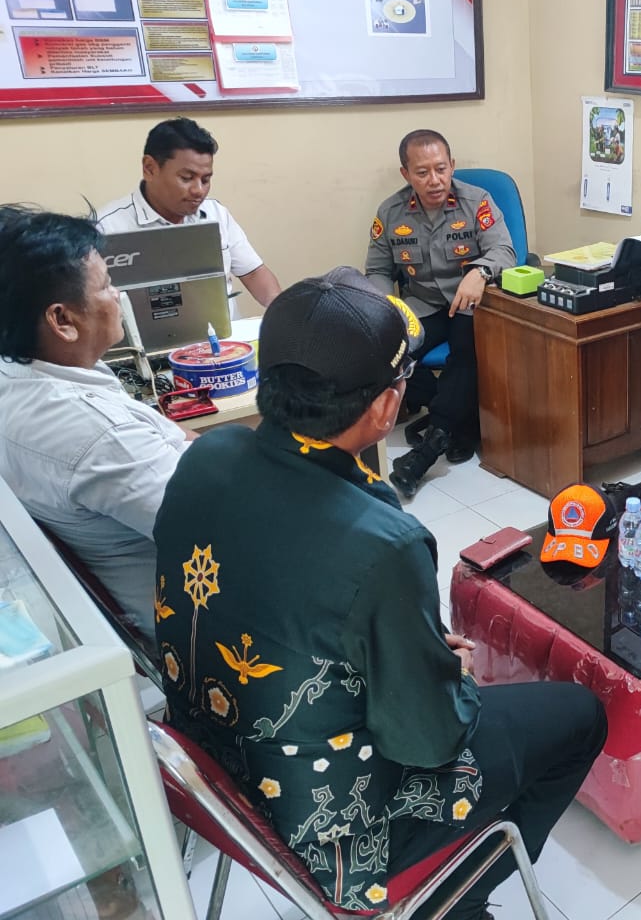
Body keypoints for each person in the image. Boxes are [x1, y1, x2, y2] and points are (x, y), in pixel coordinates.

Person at [153, 268, 604, 919]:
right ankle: (455, 900)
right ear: (387, 407)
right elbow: (432, 741)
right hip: (327, 827)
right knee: (580, 716)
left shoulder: (207, 454)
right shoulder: (382, 542)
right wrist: (452, 676)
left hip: (218, 778)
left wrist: (411, 652)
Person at [0, 205, 190, 639]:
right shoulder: (102, 436)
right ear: (62, 320)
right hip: (204, 624)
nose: (117, 295)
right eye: (105, 285)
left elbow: (176, 437)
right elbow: (237, 532)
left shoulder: (25, 372)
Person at [365, 128, 515, 499]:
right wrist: (390, 307)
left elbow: (505, 251)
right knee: (385, 353)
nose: (434, 180)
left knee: (466, 352)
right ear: (406, 174)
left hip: (470, 305)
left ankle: (432, 444)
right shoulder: (390, 212)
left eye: (441, 169)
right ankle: (460, 419)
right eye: (422, 172)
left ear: (452, 166)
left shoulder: (477, 202)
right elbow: (378, 270)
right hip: (422, 304)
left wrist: (480, 272)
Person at [97, 117, 281, 313]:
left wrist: (285, 316)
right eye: (186, 178)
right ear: (149, 168)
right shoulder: (105, 228)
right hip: (146, 333)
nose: (198, 190)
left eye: (206, 179)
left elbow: (254, 273)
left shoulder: (215, 213)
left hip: (223, 332)